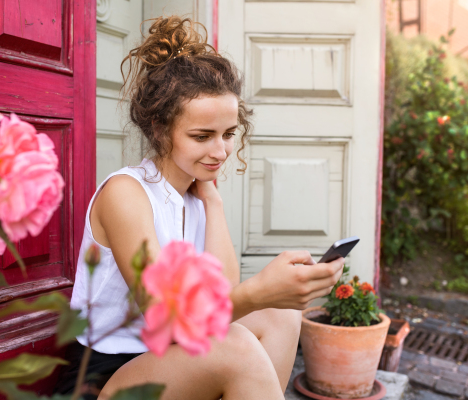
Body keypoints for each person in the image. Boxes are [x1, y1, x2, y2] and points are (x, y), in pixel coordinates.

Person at [54, 16, 344, 400]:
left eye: (227, 135)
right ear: (160, 128)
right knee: (237, 346)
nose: (221, 151)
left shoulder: (197, 197)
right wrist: (259, 291)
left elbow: (220, 295)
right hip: (106, 376)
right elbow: (168, 322)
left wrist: (213, 199)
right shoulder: (126, 193)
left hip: (171, 364)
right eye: (202, 136)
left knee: (281, 315)